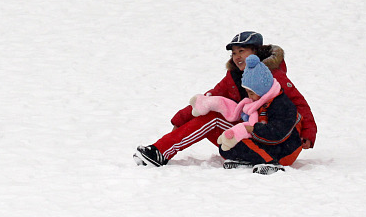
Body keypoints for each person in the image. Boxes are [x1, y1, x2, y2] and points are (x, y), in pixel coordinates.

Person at [135, 31, 316, 168]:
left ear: (256, 52)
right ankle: (161, 149)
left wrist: (308, 133)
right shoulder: (234, 77)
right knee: (212, 112)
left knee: (213, 120)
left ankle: (160, 152)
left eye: (241, 51)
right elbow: (210, 97)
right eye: (234, 53)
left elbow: (300, 104)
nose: (237, 57)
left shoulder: (273, 77)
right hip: (253, 135)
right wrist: (181, 119)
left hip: (279, 140)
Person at [193, 54, 305, 173]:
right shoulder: (258, 102)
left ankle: (271, 163)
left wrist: (252, 129)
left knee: (244, 143)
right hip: (266, 142)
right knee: (226, 147)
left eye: (251, 93)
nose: (249, 96)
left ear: (262, 89)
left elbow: (278, 134)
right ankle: (249, 161)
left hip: (286, 148)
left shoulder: (282, 104)